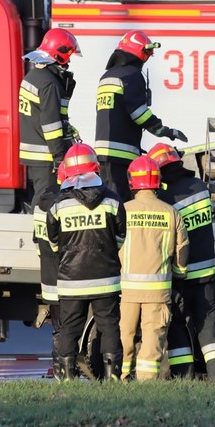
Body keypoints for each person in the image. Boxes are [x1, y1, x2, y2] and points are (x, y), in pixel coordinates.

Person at [149, 142, 215, 381]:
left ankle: (183, 377)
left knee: (176, 328)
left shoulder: (166, 198)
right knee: (209, 331)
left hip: (182, 276)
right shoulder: (200, 187)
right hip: (206, 272)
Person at [46, 148, 126, 381]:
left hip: (72, 280)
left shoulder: (58, 205)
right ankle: (112, 377)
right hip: (106, 278)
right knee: (109, 326)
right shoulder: (113, 200)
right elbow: (120, 238)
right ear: (95, 168)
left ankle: (68, 378)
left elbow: (54, 244)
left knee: (70, 327)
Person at [118, 155, 189, 381]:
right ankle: (146, 382)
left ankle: (121, 375)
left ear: (132, 181)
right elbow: (183, 249)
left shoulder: (123, 210)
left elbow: (111, 246)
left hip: (126, 290)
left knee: (125, 335)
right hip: (158, 291)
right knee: (153, 338)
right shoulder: (171, 212)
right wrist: (179, 273)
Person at [95, 30, 187, 201]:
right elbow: (139, 113)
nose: (145, 59)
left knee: (108, 200)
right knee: (121, 202)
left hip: (102, 152)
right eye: (146, 54)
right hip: (122, 153)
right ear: (139, 52)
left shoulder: (106, 76)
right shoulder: (132, 74)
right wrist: (164, 130)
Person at [33, 142, 97, 368]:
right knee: (69, 328)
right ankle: (65, 368)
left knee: (59, 328)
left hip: (48, 279)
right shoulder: (63, 206)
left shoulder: (40, 207)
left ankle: (60, 368)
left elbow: (37, 240)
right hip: (66, 277)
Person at [20, 29, 82, 211]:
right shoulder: (49, 83)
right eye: (68, 56)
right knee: (46, 201)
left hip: (34, 153)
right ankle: (41, 237)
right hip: (46, 154)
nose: (69, 62)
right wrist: (59, 158)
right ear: (59, 54)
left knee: (41, 196)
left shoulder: (33, 76)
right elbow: (51, 125)